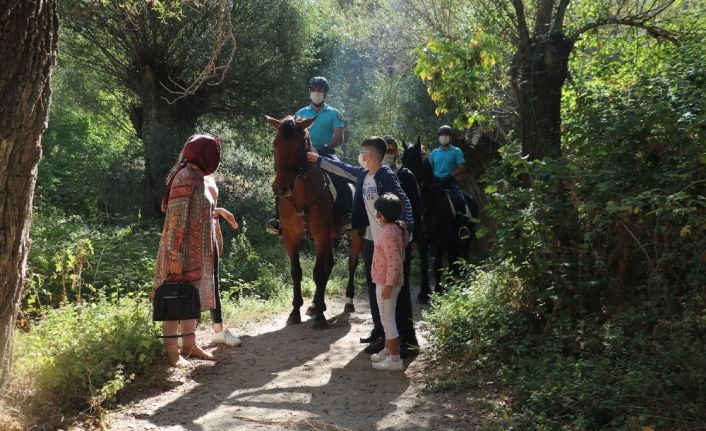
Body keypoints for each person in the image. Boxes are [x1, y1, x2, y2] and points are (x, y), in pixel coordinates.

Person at [306, 136, 414, 356]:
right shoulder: (363, 175)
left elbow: (403, 201)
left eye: (363, 152)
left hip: (391, 243)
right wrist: (318, 161)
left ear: (371, 155)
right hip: (372, 241)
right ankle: (384, 338)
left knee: (395, 294)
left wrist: (406, 230)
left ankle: (407, 341)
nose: (360, 156)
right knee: (377, 292)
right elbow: (342, 168)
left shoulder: (385, 175)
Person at [154, 134, 222, 367]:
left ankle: (190, 345)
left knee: (188, 299)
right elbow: (176, 219)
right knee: (173, 299)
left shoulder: (199, 176)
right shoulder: (185, 177)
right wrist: (175, 255)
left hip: (196, 252)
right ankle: (173, 353)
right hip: (181, 252)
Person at [267, 76, 350, 236]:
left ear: (325, 93)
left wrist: (325, 148)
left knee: (341, 176)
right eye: (314, 89)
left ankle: (346, 215)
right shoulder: (300, 113)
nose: (316, 92)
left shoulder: (334, 113)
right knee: (282, 176)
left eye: (320, 90)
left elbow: (339, 137)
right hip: (303, 155)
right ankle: (278, 220)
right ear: (309, 91)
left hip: (326, 153)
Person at [369, 193, 410, 371]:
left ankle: (395, 360)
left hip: (386, 283)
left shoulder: (387, 234)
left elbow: (394, 262)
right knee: (387, 317)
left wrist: (388, 285)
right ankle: (388, 349)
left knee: (387, 320)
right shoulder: (399, 229)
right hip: (389, 282)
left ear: (382, 215)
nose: (376, 215)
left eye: (378, 212)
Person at [203, 174, 242, 347]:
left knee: (214, 281)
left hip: (210, 229)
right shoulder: (188, 174)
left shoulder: (209, 175)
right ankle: (182, 335)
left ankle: (219, 332)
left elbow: (212, 207)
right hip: (194, 235)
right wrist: (220, 211)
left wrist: (217, 226)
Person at [429, 125, 474, 231]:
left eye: (446, 134)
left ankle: (462, 226)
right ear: (439, 136)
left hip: (450, 181)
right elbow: (429, 167)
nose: (444, 136)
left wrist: (451, 175)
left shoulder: (456, 151)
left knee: (460, 199)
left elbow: (462, 166)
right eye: (442, 134)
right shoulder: (434, 153)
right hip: (436, 182)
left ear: (450, 137)